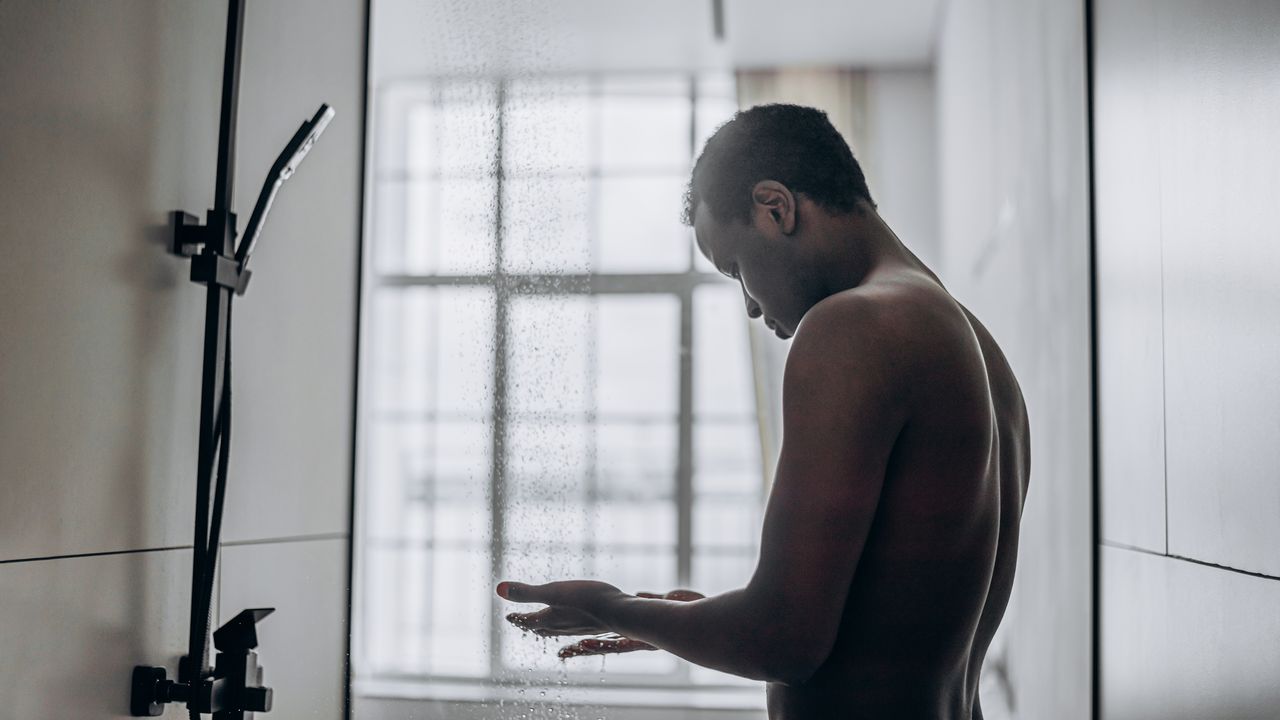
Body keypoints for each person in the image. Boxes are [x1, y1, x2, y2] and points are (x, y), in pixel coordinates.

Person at [497, 104, 1031, 719]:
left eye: (734, 268)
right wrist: (687, 619)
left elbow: (783, 640)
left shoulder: (855, 326)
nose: (750, 306)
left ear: (775, 207)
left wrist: (605, 605)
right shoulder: (983, 355)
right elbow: (886, 625)